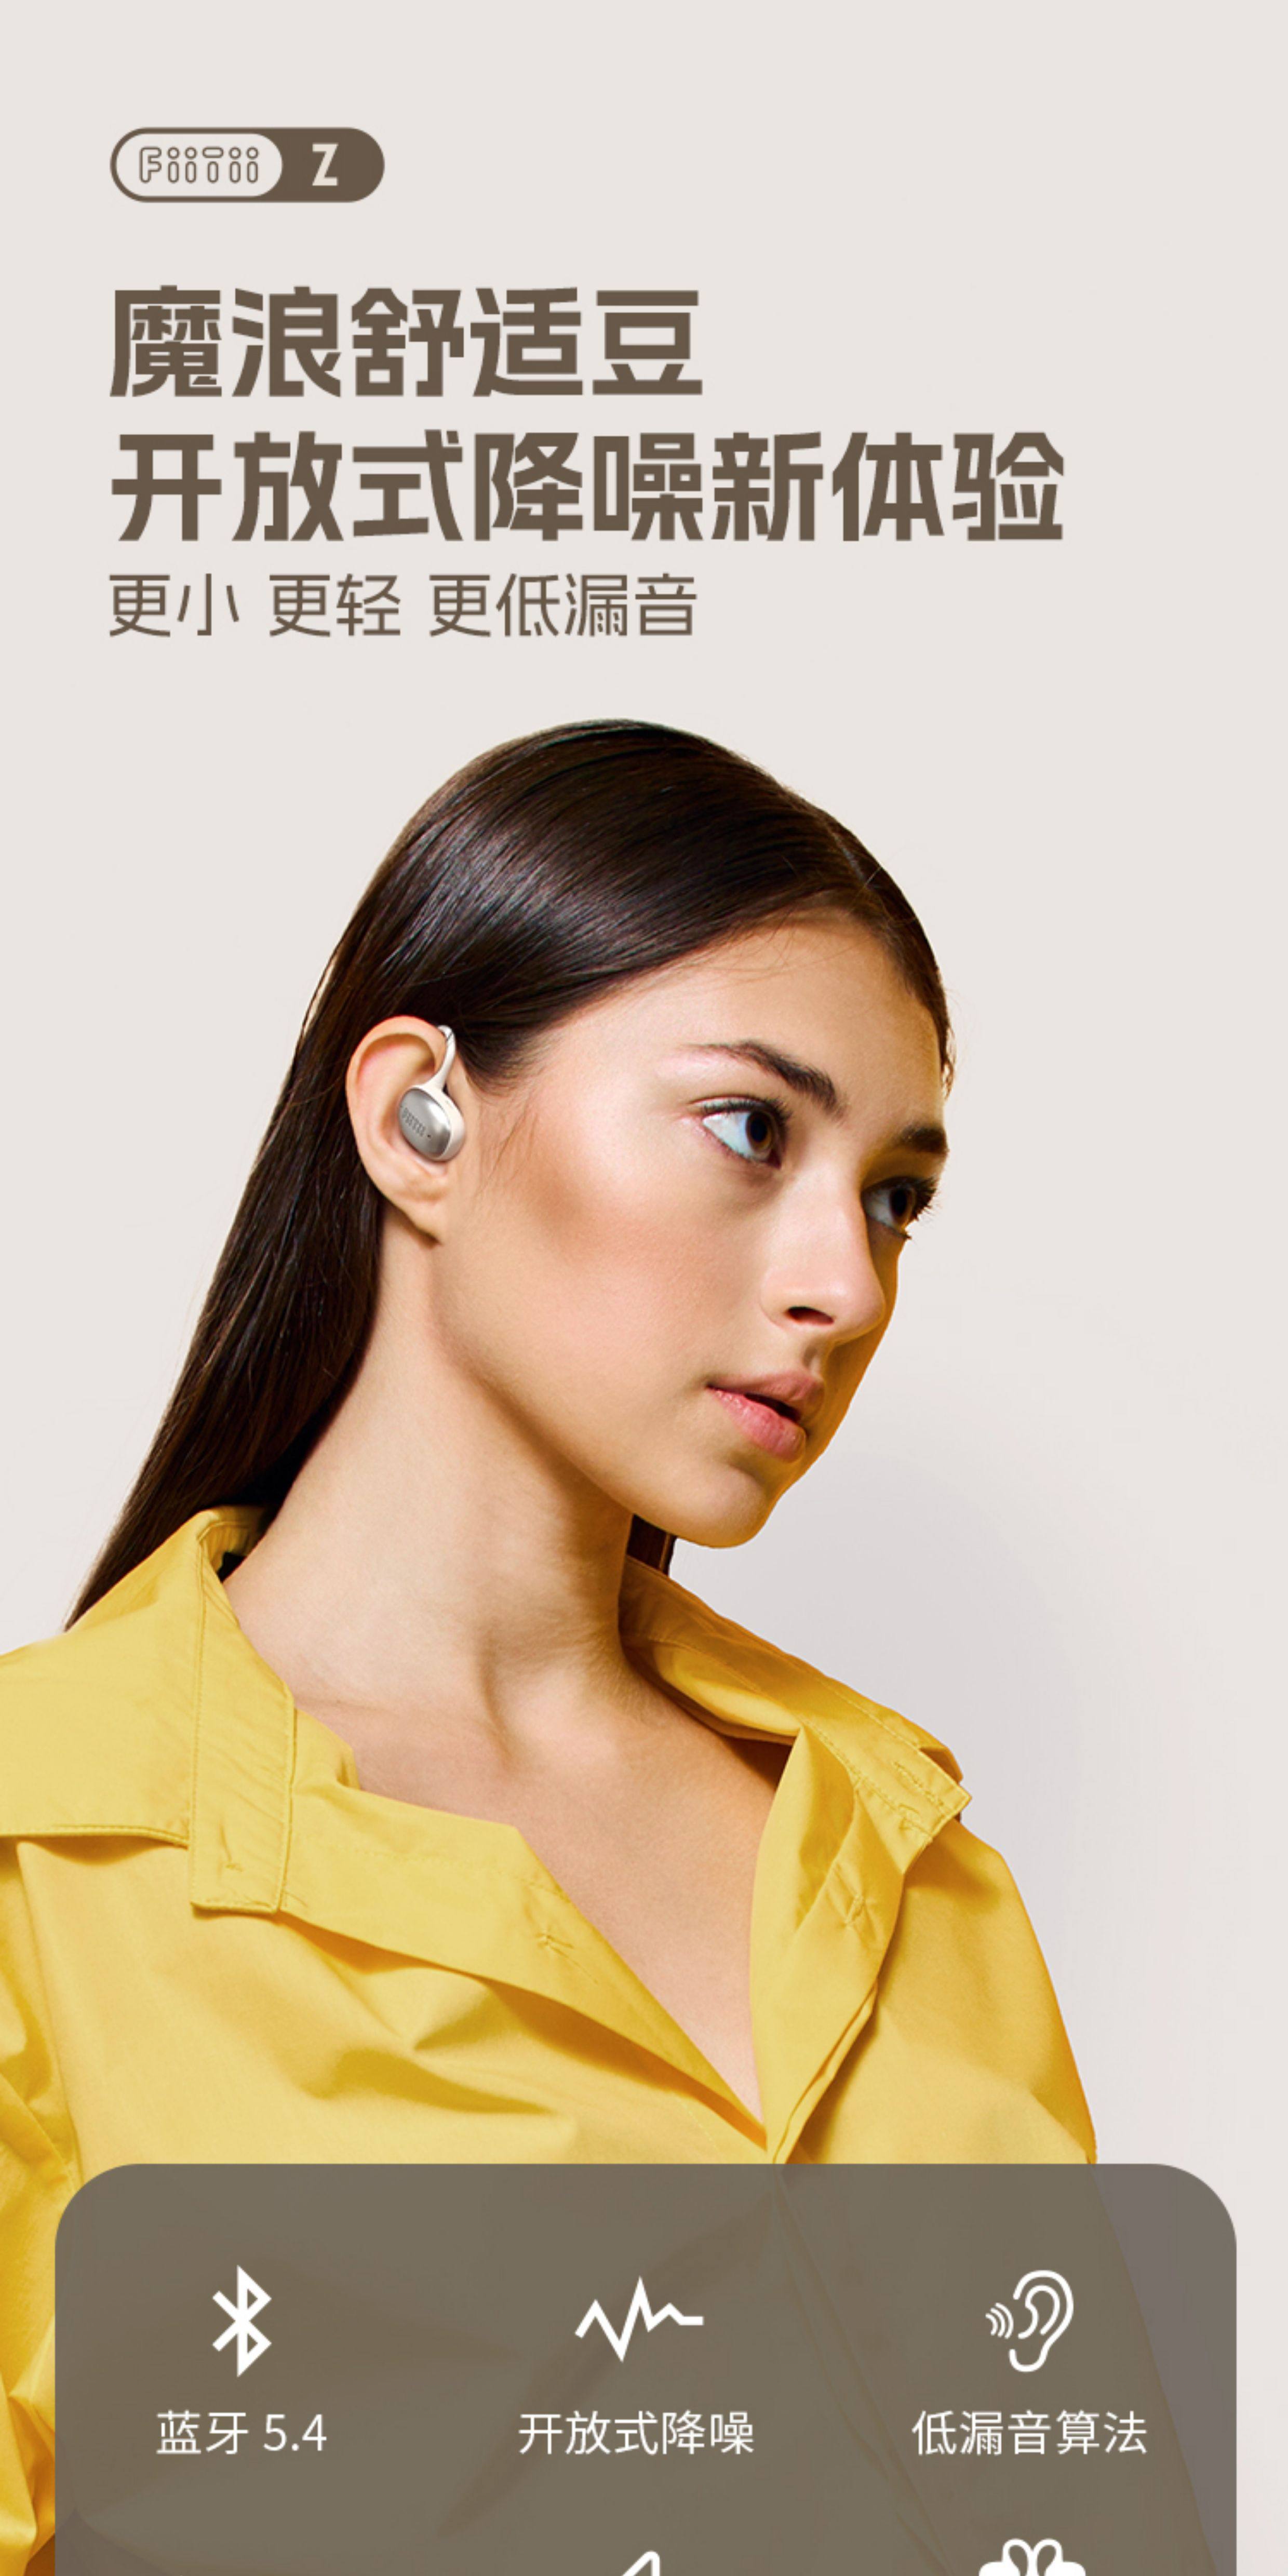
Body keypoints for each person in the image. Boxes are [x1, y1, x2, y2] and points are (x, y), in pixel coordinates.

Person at [0, 719, 1093, 2569]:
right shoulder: (45, 1864)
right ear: (418, 1117)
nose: (847, 1284)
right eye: (751, 1129)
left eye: (895, 1195)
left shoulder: (912, 1860)